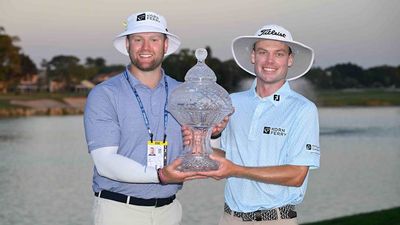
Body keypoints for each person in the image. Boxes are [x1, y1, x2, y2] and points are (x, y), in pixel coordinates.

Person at [84, 11, 199, 225]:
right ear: (127, 44)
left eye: (154, 40)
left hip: (170, 211)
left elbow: (198, 148)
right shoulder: (104, 94)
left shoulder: (184, 93)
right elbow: (105, 163)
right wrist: (161, 175)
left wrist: (212, 134)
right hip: (118, 211)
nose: (145, 48)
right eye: (138, 40)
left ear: (165, 45)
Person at [200, 24, 320, 225]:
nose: (270, 61)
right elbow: (220, 159)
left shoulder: (303, 109)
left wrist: (235, 170)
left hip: (275, 220)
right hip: (229, 219)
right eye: (263, 52)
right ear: (253, 56)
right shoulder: (232, 102)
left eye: (279, 54)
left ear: (289, 60)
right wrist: (213, 136)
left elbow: (296, 175)